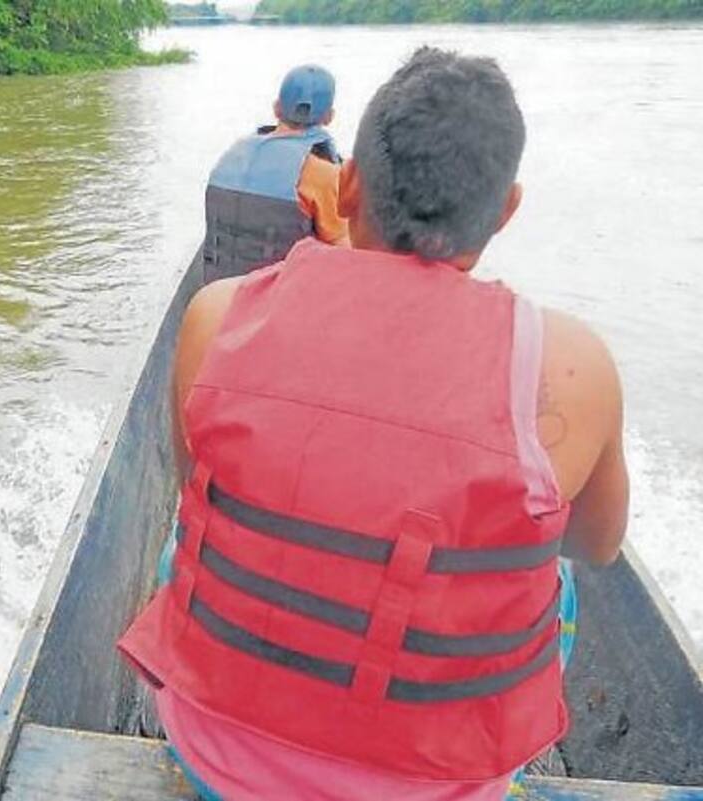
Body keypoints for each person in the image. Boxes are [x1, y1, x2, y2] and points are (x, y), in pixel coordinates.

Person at [119, 47, 628, 801]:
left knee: (189, 519)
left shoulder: (214, 314)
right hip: (447, 784)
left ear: (348, 181)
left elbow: (194, 471)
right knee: (549, 564)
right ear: (506, 209)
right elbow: (597, 542)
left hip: (217, 752)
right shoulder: (574, 365)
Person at [203, 64, 348, 284]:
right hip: (276, 301)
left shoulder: (233, 152)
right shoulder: (323, 174)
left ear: (277, 109)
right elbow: (343, 248)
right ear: (329, 116)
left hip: (215, 289)